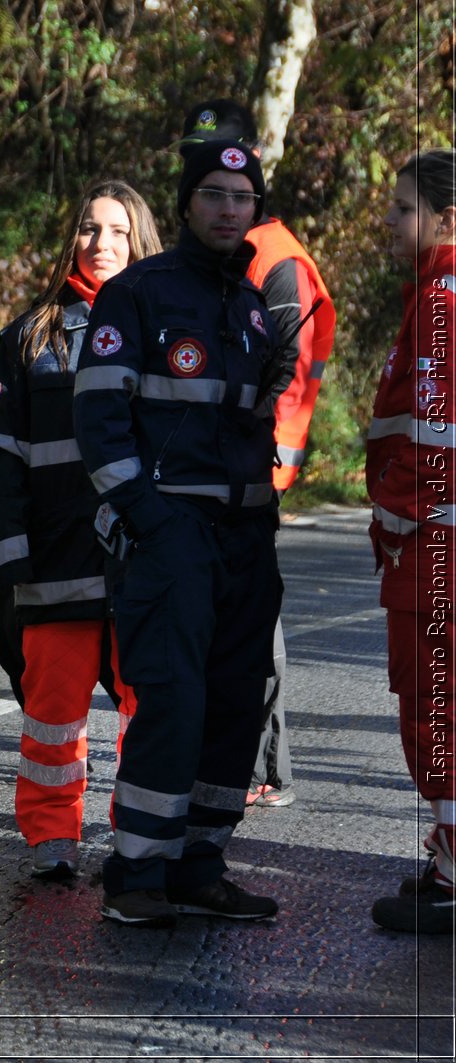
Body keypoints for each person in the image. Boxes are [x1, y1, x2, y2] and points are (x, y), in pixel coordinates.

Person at [73, 140, 284, 927]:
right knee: (173, 701)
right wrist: (151, 521)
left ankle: (200, 863)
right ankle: (136, 871)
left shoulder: (253, 302)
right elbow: (98, 417)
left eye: (243, 197)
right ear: (188, 202)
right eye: (215, 195)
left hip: (245, 537)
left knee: (235, 702)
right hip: (173, 536)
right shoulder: (137, 293)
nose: (230, 209)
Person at [0, 180, 161, 878]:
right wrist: (11, 561)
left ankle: (140, 840)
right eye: (88, 228)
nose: (101, 243)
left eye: (116, 230)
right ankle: (52, 841)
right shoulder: (29, 337)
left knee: (151, 713)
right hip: (55, 566)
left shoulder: (166, 329)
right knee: (53, 721)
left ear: (140, 240)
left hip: (142, 563)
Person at [178, 99, 339, 811]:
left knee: (253, 618)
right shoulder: (215, 253)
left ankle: (262, 763)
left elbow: (287, 369)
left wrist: (258, 451)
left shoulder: (275, 259)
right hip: (215, 464)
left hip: (254, 462)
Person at [367, 149, 456, 934]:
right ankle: (448, 856)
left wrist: (395, 518)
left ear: (447, 219)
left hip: (436, 551)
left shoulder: (444, 305)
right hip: (433, 546)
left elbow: (439, 436)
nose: (390, 221)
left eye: (403, 208)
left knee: (436, 712)